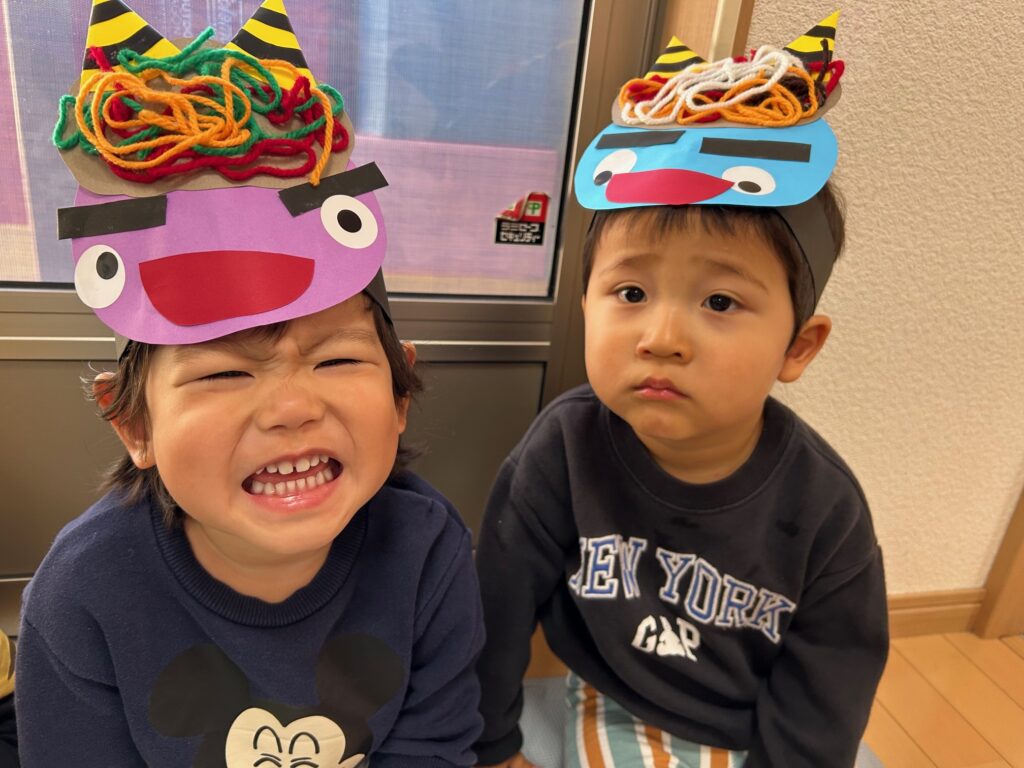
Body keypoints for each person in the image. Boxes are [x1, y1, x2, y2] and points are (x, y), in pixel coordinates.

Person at [16, 2, 483, 765]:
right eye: (225, 372)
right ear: (134, 426)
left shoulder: (427, 549)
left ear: (401, 394)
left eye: (336, 361)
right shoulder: (83, 592)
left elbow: (434, 745)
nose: (293, 407)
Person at [473, 15, 887, 768]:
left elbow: (832, 680)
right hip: (619, 694)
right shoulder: (562, 448)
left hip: (758, 722)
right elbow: (497, 604)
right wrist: (492, 747)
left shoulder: (824, 508)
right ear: (586, 304)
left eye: (720, 302)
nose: (661, 337)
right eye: (630, 292)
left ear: (798, 346)